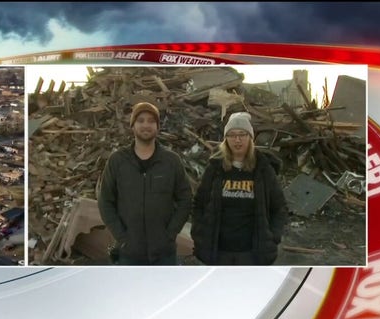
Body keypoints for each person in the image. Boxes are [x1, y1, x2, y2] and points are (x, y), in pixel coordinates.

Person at [98, 102, 192, 265]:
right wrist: (122, 237)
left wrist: (170, 234)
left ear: (157, 126)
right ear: (132, 125)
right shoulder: (118, 161)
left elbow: (186, 199)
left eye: (151, 121)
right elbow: (105, 201)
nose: (146, 125)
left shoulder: (170, 161)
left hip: (164, 254)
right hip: (129, 253)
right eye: (140, 120)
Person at [191, 112, 288, 265]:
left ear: (250, 138)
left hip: (252, 253)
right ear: (226, 139)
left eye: (242, 134)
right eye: (232, 135)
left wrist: (273, 236)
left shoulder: (263, 169)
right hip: (219, 252)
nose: (237, 140)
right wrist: (199, 233)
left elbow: (279, 207)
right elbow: (199, 203)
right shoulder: (215, 168)